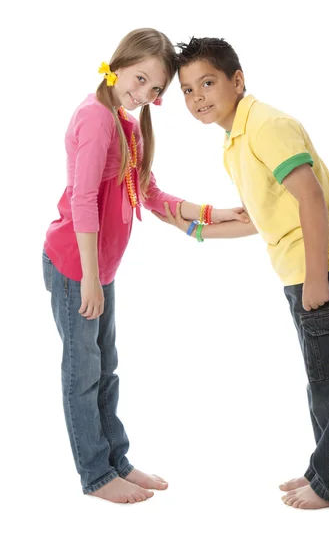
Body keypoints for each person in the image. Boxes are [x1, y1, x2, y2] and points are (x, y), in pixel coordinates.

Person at [154, 36, 329, 510]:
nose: (197, 96)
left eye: (207, 82)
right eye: (186, 90)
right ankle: (325, 471)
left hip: (322, 265)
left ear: (237, 81)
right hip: (302, 269)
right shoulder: (236, 138)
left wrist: (318, 276)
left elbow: (311, 199)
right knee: (321, 377)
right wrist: (193, 229)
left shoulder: (265, 126)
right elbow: (261, 218)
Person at [42, 28, 250, 504]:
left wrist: (212, 212)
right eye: (139, 80)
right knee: (83, 374)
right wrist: (91, 279)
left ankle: (116, 459)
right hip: (77, 267)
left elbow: (151, 195)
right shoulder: (95, 119)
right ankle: (96, 475)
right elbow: (84, 200)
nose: (144, 95)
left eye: (155, 89)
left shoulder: (126, 125)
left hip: (99, 270)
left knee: (105, 369)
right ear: (117, 64)